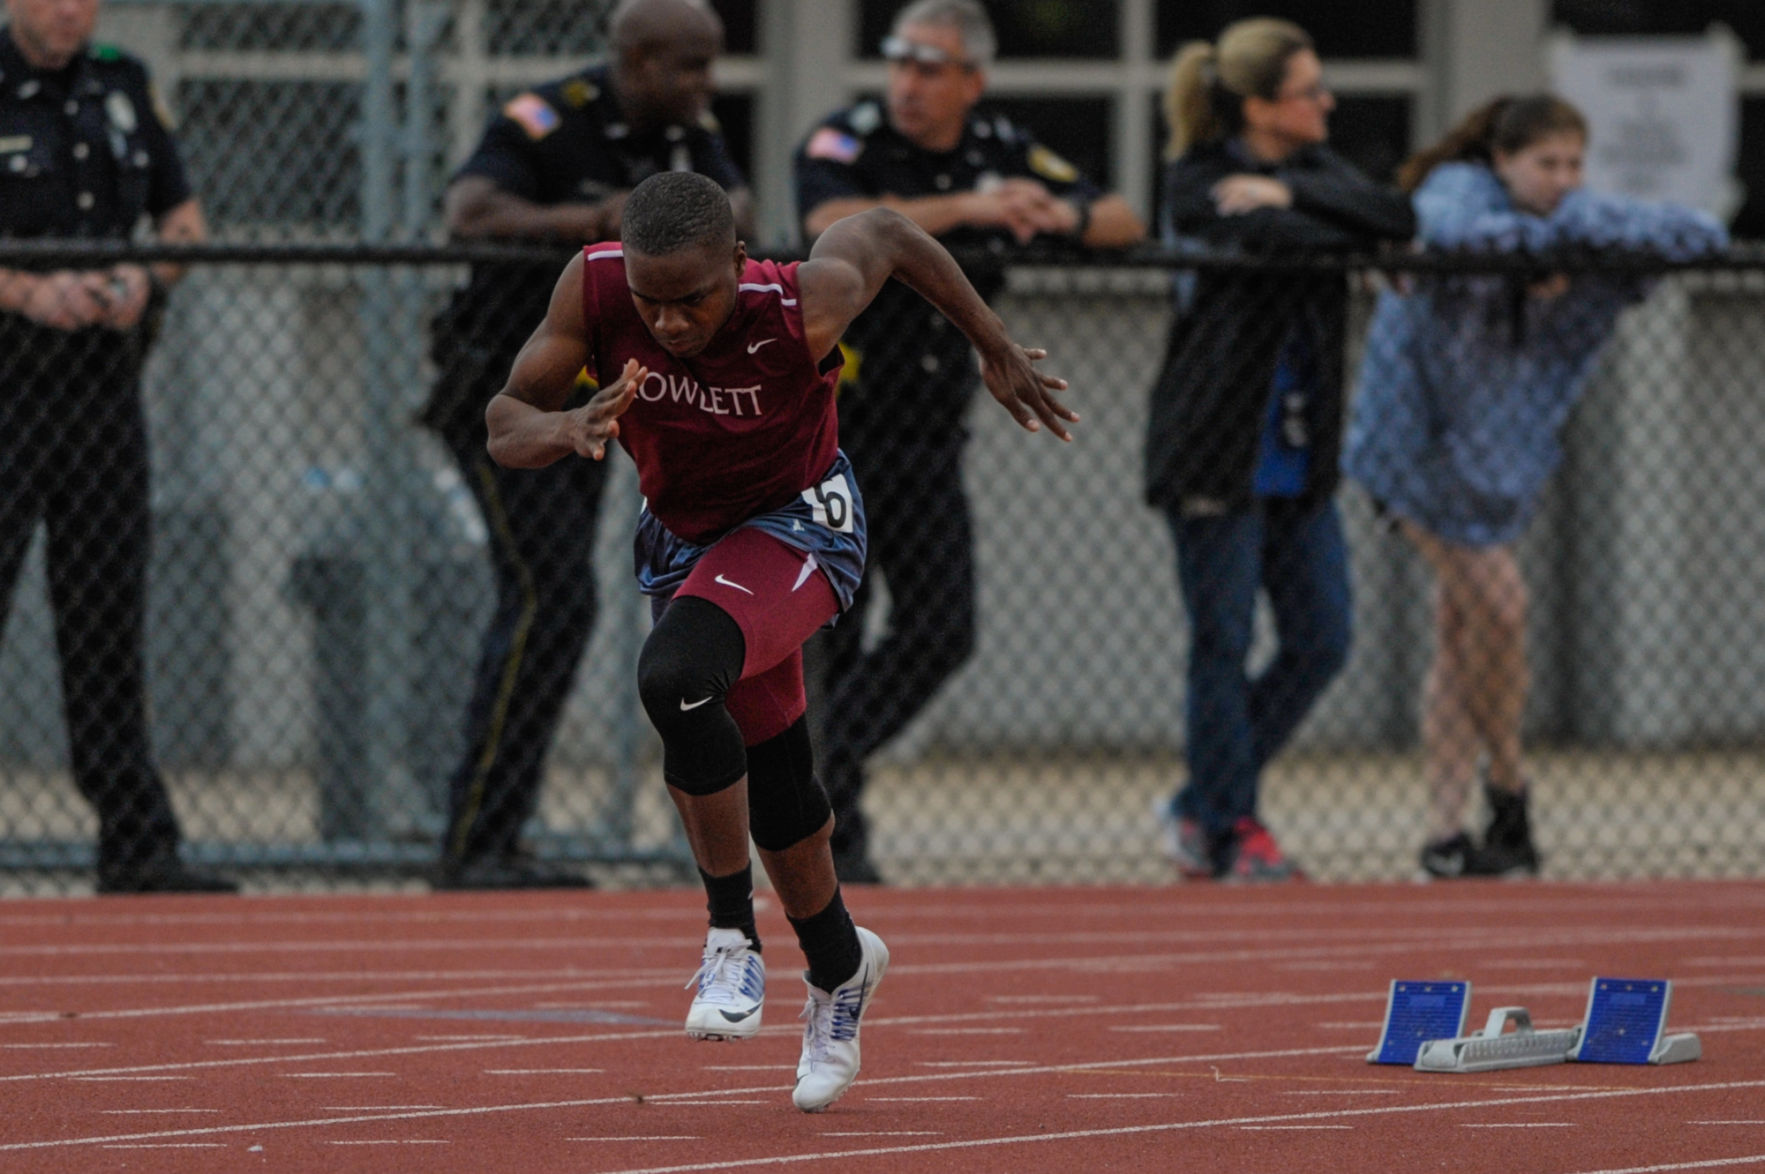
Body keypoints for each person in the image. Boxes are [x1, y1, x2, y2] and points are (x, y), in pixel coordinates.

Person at [486, 170, 1074, 1110]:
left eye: (693, 299)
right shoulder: (594, 287)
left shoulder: (799, 301)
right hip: (687, 543)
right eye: (653, 303)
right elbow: (502, 421)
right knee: (779, 781)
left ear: (737, 261)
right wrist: (562, 425)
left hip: (800, 526)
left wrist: (990, 342)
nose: (671, 324)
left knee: (676, 675)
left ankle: (730, 939)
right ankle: (842, 969)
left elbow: (886, 225)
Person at [791, 0, 1144, 883]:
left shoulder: (1000, 144)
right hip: (833, 431)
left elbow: (1121, 220)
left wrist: (1051, 214)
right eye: (900, 61)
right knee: (830, 627)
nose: (908, 82)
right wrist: (969, 207)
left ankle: (824, 767)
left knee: (943, 628)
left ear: (972, 81)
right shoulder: (849, 137)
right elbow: (825, 218)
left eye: (930, 66)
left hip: (930, 430)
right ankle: (837, 826)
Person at [1343, 94, 1727, 879]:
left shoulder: (1573, 212)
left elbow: (1697, 234)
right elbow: (1448, 232)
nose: (1561, 180)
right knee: (1503, 606)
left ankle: (1444, 836)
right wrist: (1534, 252)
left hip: (1498, 456)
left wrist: (1569, 242)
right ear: (1501, 161)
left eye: (1572, 164)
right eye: (1544, 164)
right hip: (1413, 444)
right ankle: (1509, 787)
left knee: (1460, 632)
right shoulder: (1455, 193)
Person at [420, 0, 754, 891]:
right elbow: (469, 210)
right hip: (510, 398)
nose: (703, 86)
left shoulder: (690, 140)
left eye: (706, 67)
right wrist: (591, 221)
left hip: (601, 407)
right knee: (550, 594)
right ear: (637, 61)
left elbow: (740, 207)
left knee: (561, 604)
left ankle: (498, 834)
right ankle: (473, 838)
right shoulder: (546, 118)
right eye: (688, 68)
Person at [1144, 18, 1416, 882]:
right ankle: (1230, 825)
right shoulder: (1197, 178)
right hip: (1214, 448)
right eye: (1307, 91)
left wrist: (1294, 198)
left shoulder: (1310, 176)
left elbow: (1394, 214)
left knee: (1321, 638)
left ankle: (1198, 800)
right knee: (1220, 640)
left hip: (1301, 450)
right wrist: (1308, 223)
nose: (1326, 103)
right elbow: (1284, 243)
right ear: (1260, 105)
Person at [0, 0, 231, 893]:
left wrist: (142, 274)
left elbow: (183, 223)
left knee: (104, 616)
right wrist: (23, 291)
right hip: (9, 387)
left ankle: (136, 843)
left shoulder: (124, 86)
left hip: (101, 394)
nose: (69, 11)